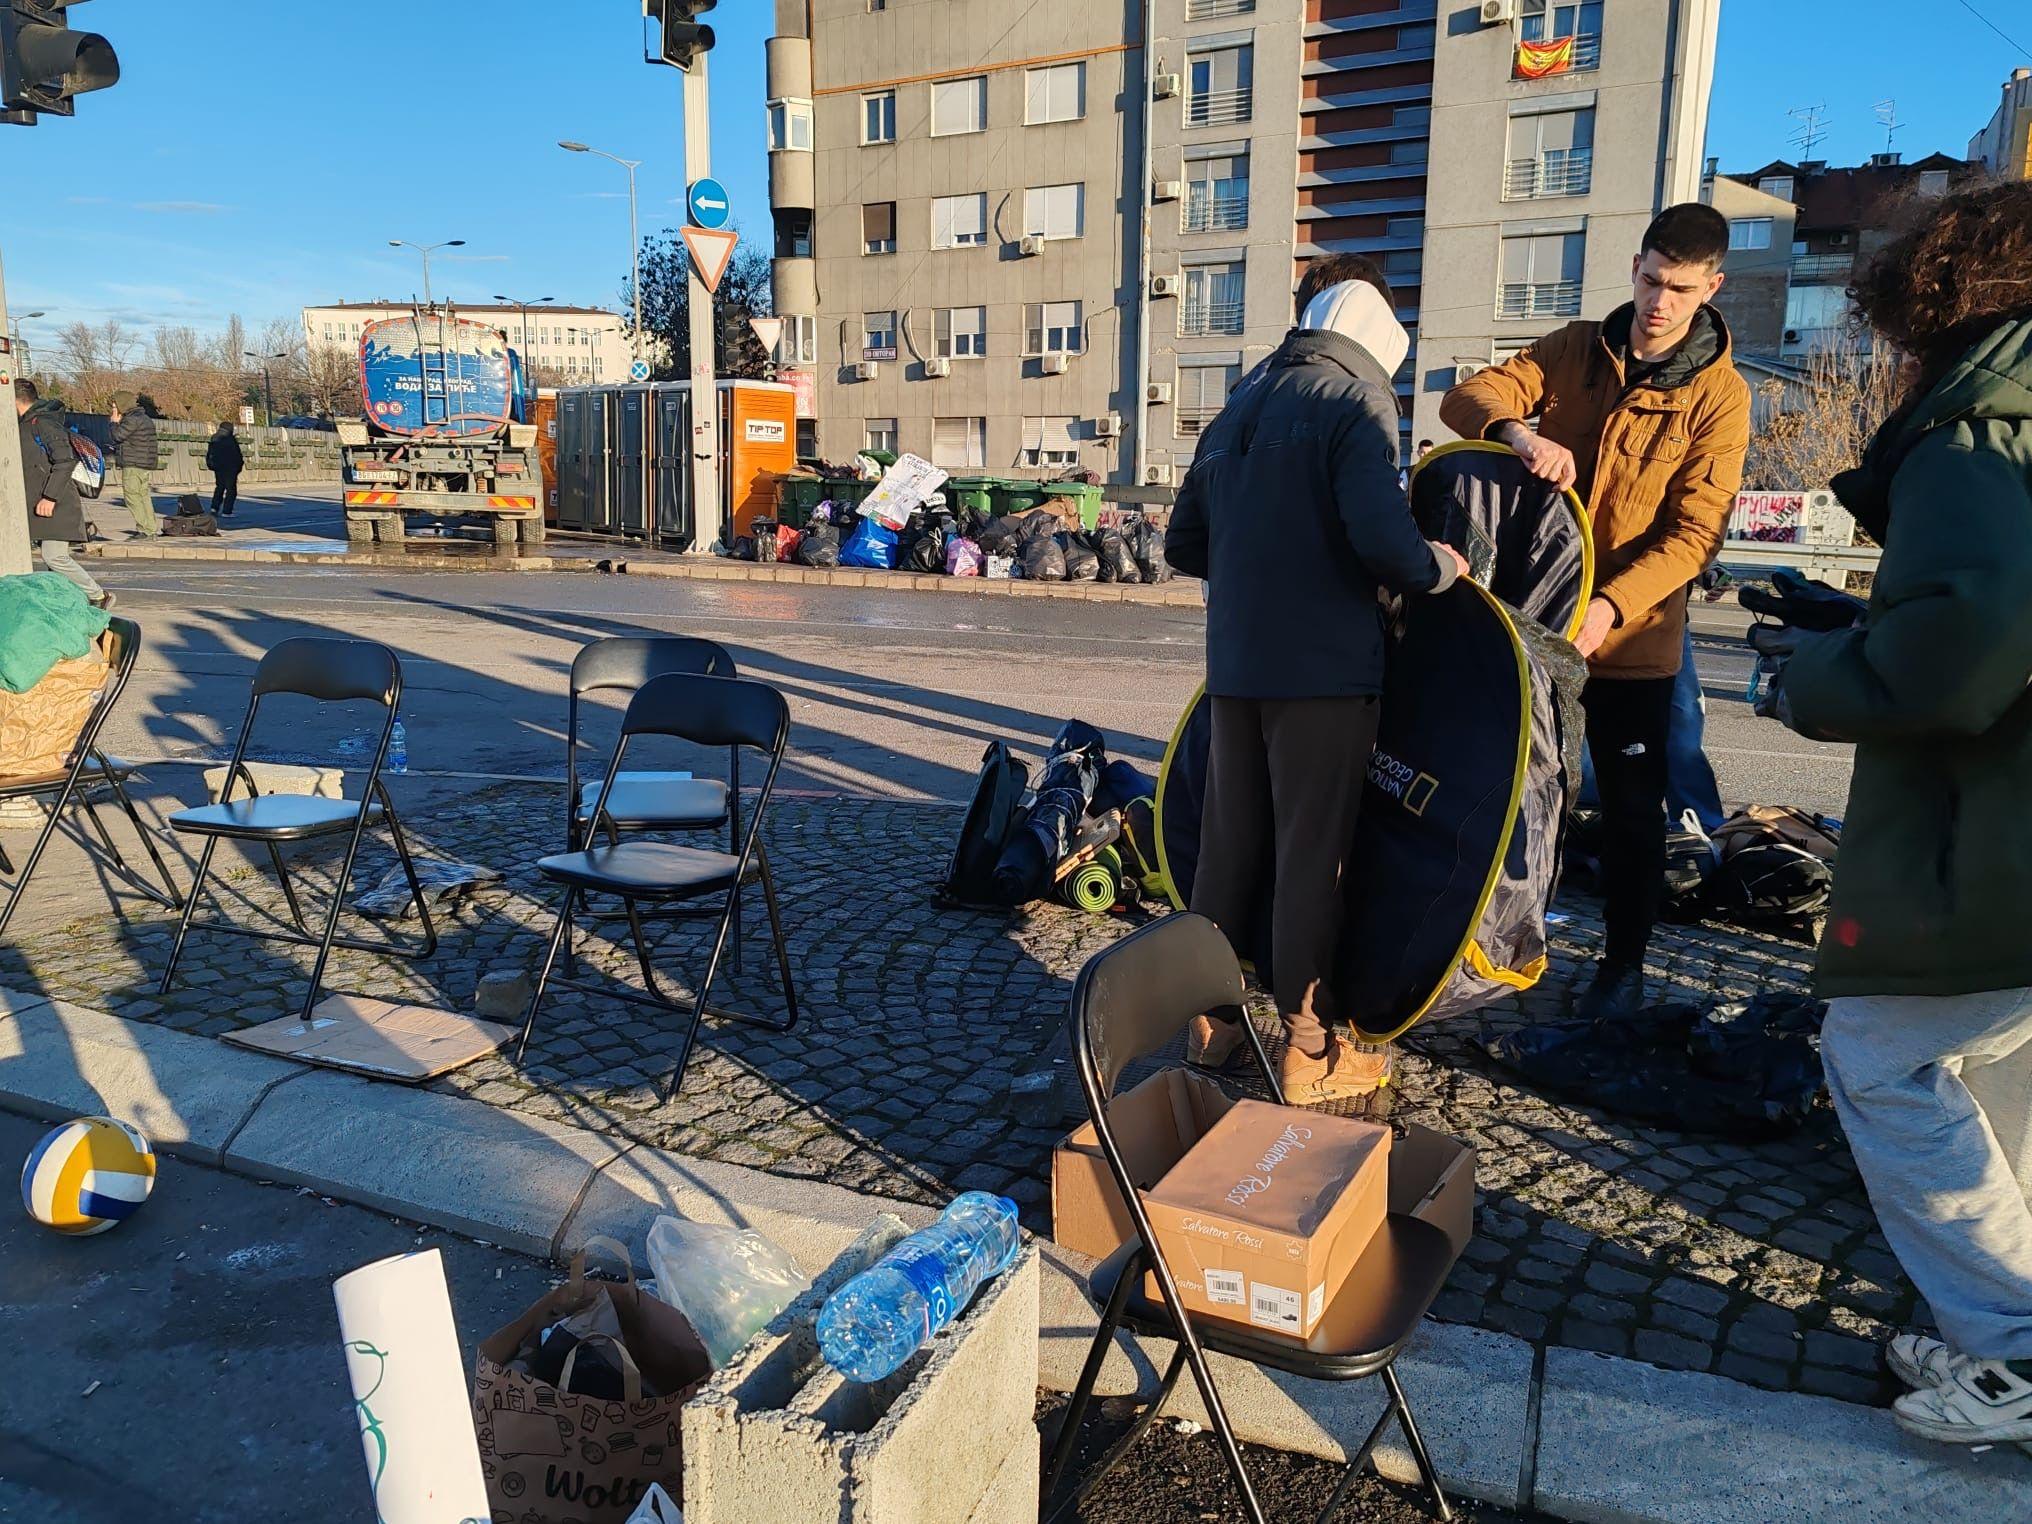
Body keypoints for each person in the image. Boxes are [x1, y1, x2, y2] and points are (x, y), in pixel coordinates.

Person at [1774, 182, 2032, 1447]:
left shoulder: (1980, 426)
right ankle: (2007, 1323)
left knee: (1875, 1052)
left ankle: (2011, 1349)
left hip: (1999, 836)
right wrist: (1873, 622)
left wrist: (1809, 674)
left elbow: (1964, 656)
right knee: (2012, 1073)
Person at [1166, 254, 1470, 1104]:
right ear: (1379, 343)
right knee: (1311, 858)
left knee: (1226, 851)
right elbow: (1385, 544)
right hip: (1326, 676)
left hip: (1236, 668)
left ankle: (1210, 1025)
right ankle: (1307, 1049)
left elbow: (1183, 544)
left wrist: (1257, 561)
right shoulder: (1355, 400)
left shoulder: (1240, 406)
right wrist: (1440, 566)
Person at [1442, 203, 1750, 1021]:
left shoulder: (1720, 398)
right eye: (1651, 280)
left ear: (1711, 287)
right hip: (1534, 628)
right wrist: (1517, 432)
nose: (1659, 303)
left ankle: (1623, 964)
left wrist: (1610, 608)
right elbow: (1467, 397)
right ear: (1636, 266)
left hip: (1634, 643)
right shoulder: (1577, 347)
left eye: (1680, 289)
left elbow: (1695, 534)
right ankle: (1479, 931)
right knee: (1505, 784)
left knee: (1629, 809)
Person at [14, 379, 112, 609]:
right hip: (42, 502)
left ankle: (97, 596)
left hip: (58, 504)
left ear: (15, 399)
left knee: (54, 556)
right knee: (52, 563)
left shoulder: (43, 423)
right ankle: (64, 604)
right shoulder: (26, 424)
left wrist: (50, 497)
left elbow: (65, 460)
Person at [108, 391, 159, 537]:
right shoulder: (143, 418)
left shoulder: (131, 420)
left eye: (114, 407)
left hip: (133, 464)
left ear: (122, 405)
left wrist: (113, 423)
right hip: (144, 463)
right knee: (143, 496)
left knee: (132, 496)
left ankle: (144, 529)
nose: (113, 410)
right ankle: (151, 529)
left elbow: (117, 436)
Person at [206, 421, 243, 517]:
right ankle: (227, 511)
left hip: (218, 467)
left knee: (219, 487)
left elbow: (210, 453)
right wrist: (239, 466)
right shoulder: (230, 439)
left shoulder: (214, 438)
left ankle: (214, 507)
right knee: (231, 490)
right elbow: (237, 455)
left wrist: (211, 464)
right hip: (230, 468)